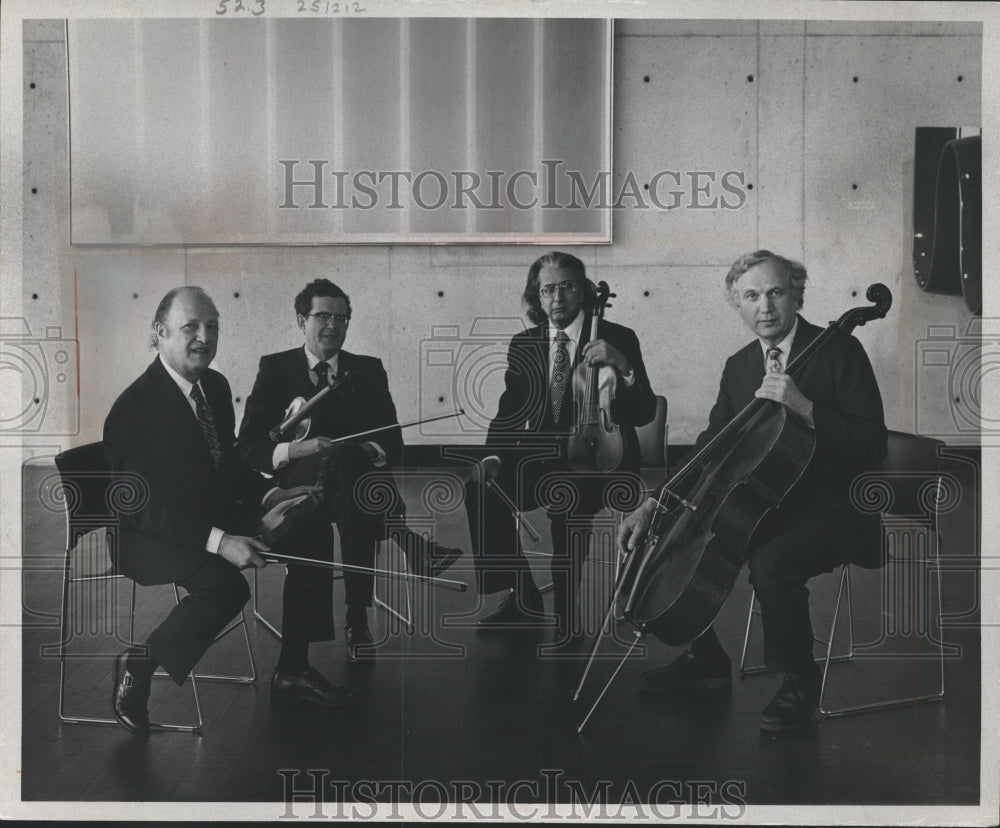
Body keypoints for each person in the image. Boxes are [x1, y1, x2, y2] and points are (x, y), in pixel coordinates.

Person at [618, 250, 887, 732]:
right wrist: (654, 502)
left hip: (836, 509)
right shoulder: (741, 366)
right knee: (686, 538)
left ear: (796, 295)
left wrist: (805, 407)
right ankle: (707, 658)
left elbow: (871, 446)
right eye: (752, 295)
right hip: (768, 501)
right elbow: (710, 446)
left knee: (770, 563)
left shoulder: (838, 351)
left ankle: (801, 681)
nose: (766, 306)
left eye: (776, 292)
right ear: (737, 305)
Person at [104, 287, 358, 738]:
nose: (205, 337)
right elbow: (146, 509)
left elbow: (230, 464)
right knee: (224, 586)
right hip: (148, 536)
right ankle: (138, 665)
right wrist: (222, 542)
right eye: (191, 327)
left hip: (211, 514)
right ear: (159, 334)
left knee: (310, 526)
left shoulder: (214, 387)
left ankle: (293, 671)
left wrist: (267, 497)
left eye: (213, 327)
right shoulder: (133, 410)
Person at [237, 279, 463, 663]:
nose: (332, 325)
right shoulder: (274, 369)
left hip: (352, 496)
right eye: (322, 315)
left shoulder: (368, 370)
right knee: (355, 476)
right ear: (300, 320)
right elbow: (249, 448)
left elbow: (393, 444)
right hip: (301, 493)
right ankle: (378, 586)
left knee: (350, 467)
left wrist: (360, 450)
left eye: (341, 318)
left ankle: (360, 609)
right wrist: (298, 448)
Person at [466, 251, 657, 644]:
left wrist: (622, 365)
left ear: (583, 291)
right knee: (481, 487)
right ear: (537, 297)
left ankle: (567, 617)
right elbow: (509, 412)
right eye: (547, 289)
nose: (557, 298)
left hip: (606, 459)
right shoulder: (525, 344)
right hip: (547, 455)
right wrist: (491, 457)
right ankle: (523, 597)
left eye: (566, 286)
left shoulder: (618, 337)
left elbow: (644, 411)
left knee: (568, 500)